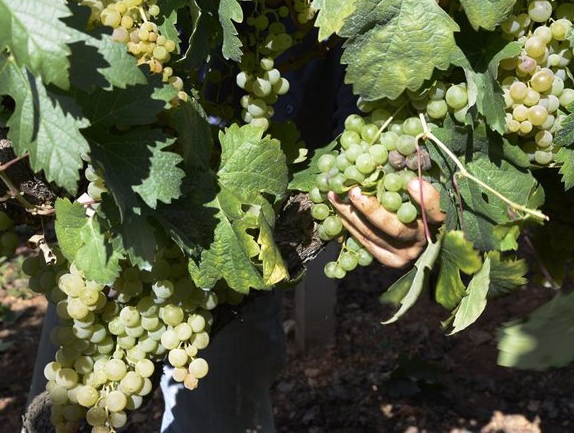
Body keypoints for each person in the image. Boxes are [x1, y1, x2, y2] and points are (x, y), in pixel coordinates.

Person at [158, 30, 444, 432]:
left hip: (248, 234)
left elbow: (376, 103)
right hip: (116, 196)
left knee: (215, 407)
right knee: (77, 369)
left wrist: (402, 175)